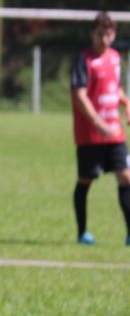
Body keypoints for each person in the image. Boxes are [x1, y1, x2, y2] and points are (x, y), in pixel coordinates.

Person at [70, 11, 130, 246]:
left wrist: (126, 102)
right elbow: (79, 96)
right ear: (92, 34)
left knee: (126, 177)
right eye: (100, 34)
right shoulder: (83, 60)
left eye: (109, 34)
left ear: (114, 34)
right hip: (90, 135)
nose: (104, 39)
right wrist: (98, 123)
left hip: (114, 134)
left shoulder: (115, 58)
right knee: (85, 180)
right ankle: (82, 232)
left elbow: (114, 88)